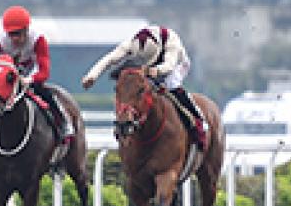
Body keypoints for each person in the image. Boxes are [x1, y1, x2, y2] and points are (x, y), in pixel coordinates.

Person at [81, 23, 209, 147]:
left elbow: (169, 66)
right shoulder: (130, 44)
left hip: (176, 63)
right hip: (144, 65)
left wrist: (156, 71)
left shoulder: (171, 42)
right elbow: (109, 59)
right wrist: (92, 76)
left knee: (171, 85)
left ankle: (197, 121)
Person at [0, 5, 73, 145]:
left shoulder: (38, 39)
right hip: (7, 77)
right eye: (11, 34)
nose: (14, 38)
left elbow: (44, 71)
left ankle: (62, 124)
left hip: (31, 74)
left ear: (26, 30)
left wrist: (29, 80)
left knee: (46, 94)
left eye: (18, 33)